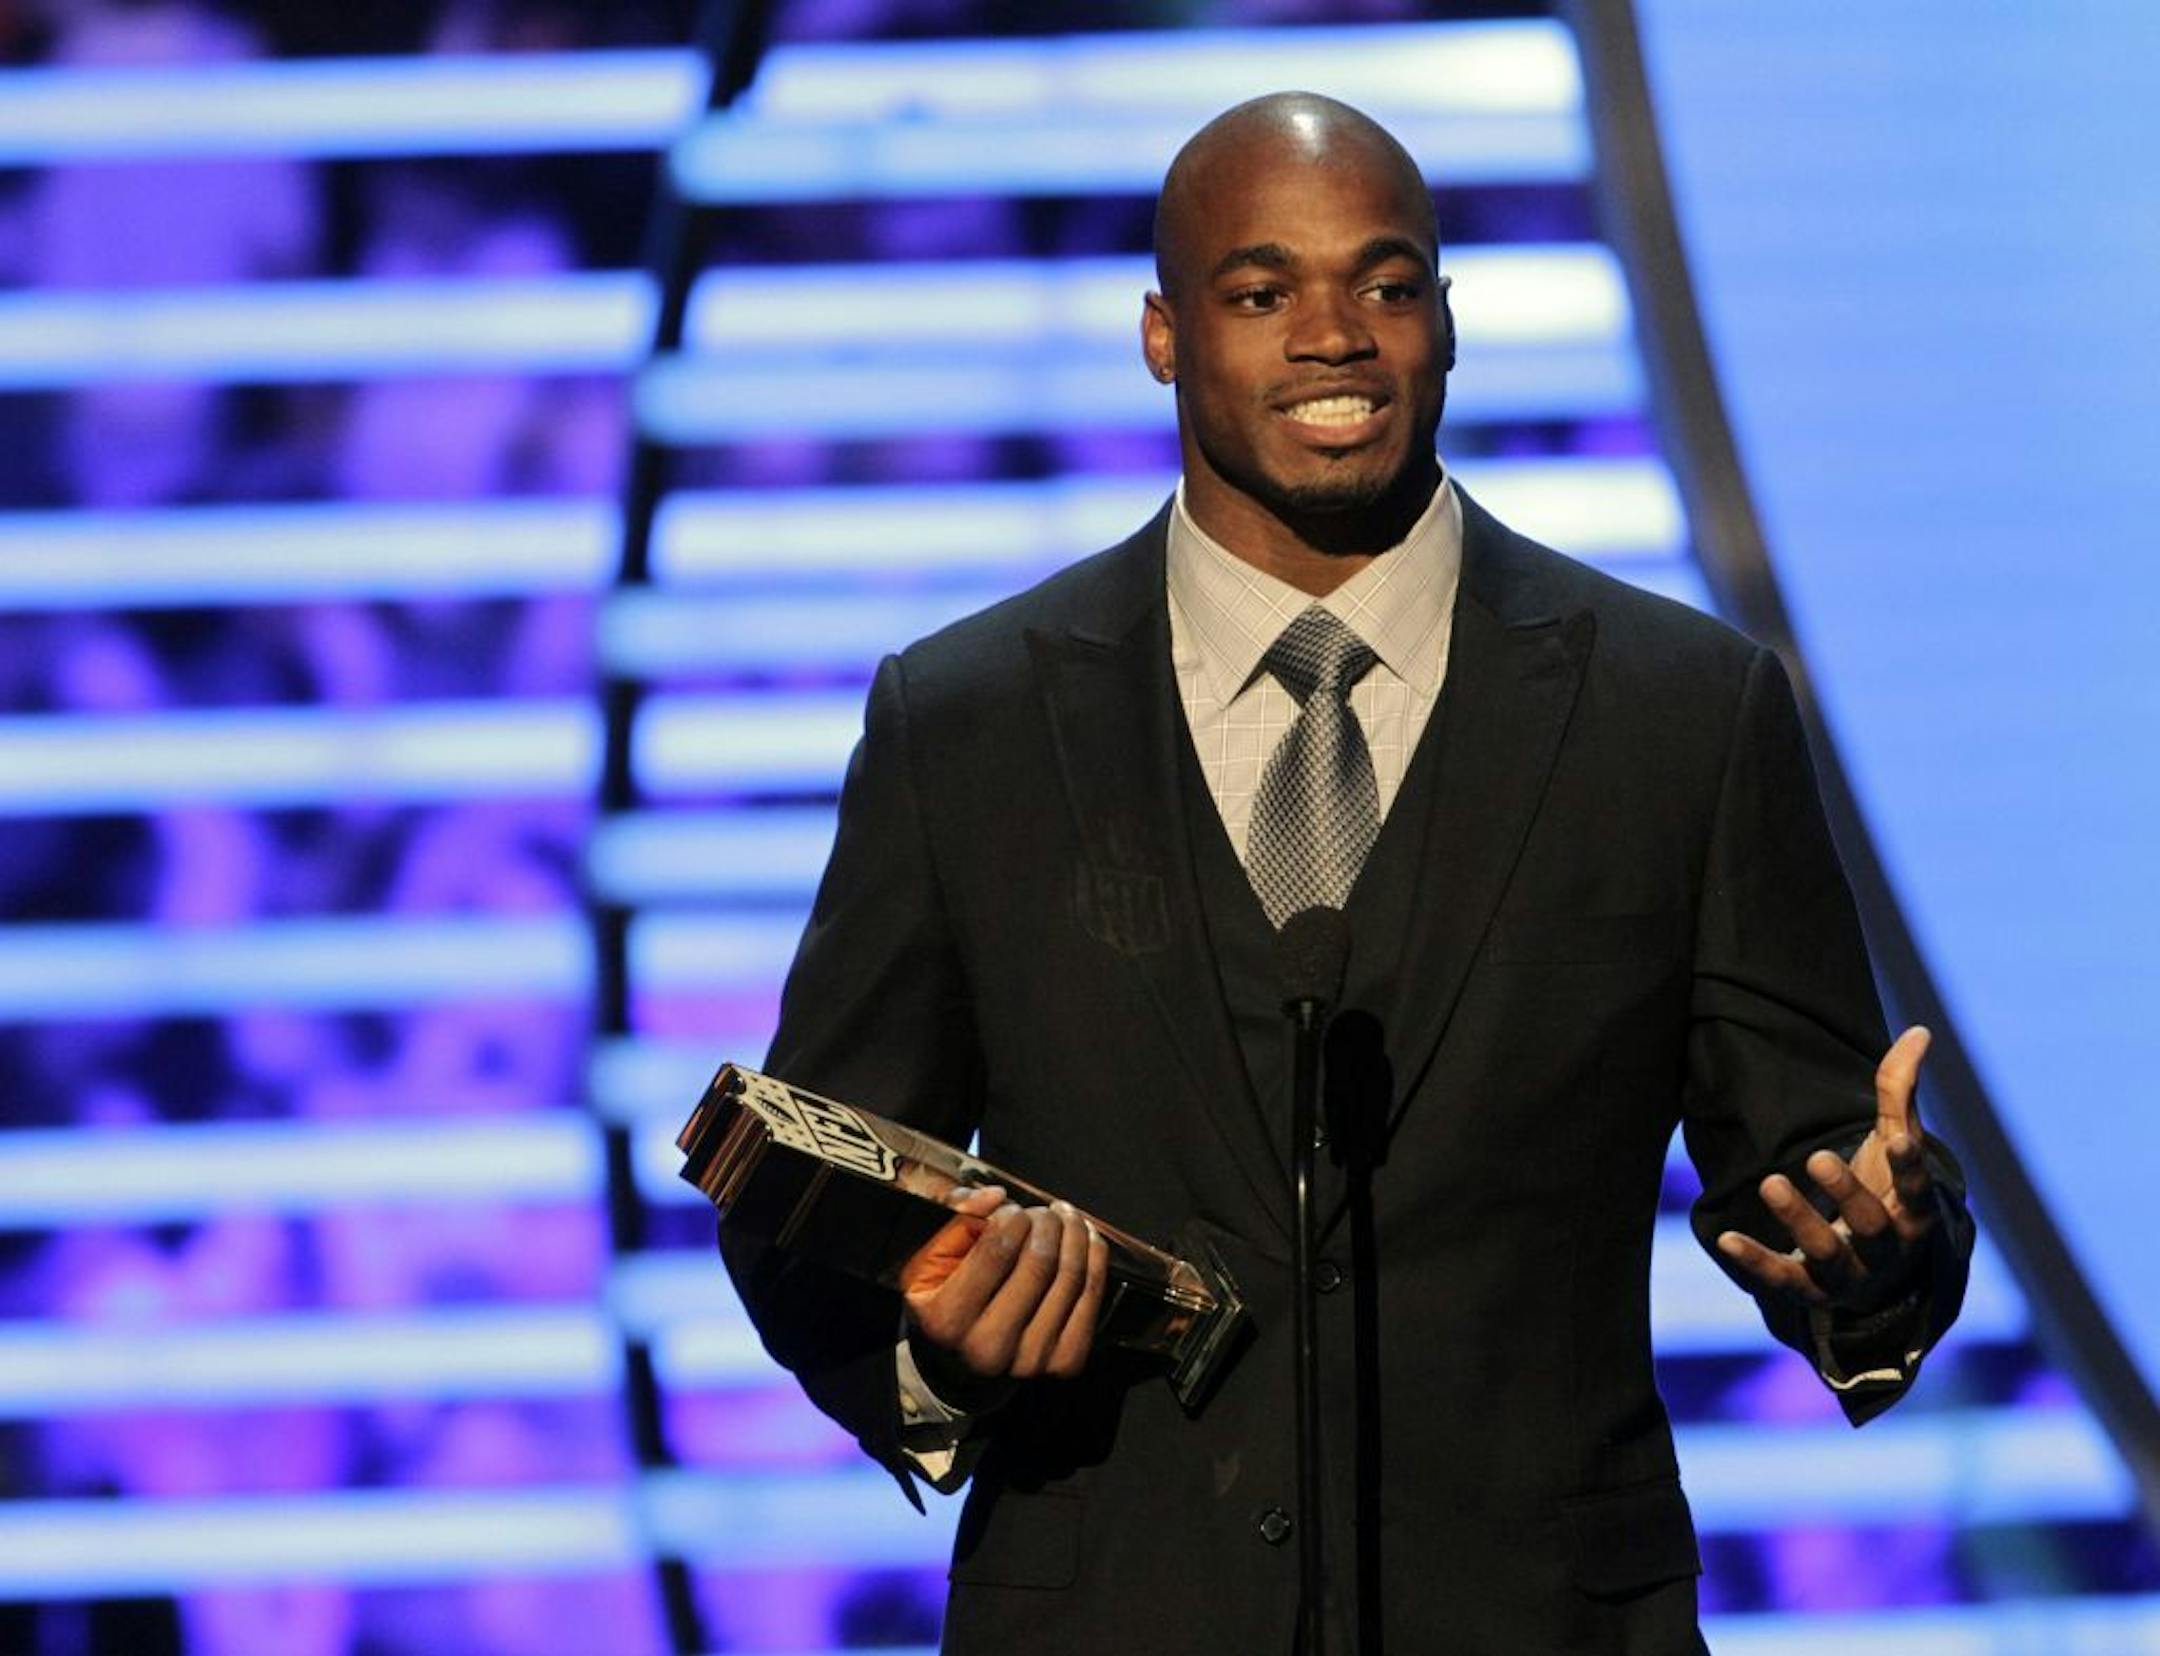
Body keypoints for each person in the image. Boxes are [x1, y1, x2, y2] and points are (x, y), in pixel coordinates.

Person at [722, 92, 1973, 1656]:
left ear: (1447, 325)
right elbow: (804, 1200)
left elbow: (1822, 1181)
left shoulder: (1680, 714)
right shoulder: (965, 723)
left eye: (1384, 287)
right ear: (1164, 335)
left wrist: (1881, 1256)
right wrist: (942, 1351)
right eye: (1262, 294)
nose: (1333, 337)